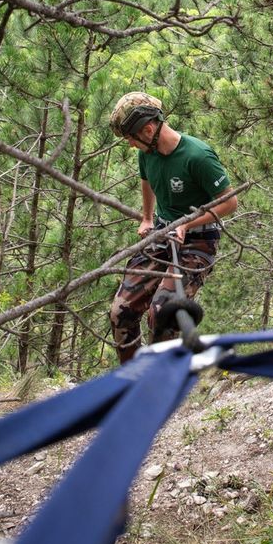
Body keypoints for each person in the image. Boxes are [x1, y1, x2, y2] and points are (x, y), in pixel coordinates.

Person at [107, 92, 238, 363]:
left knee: (162, 314)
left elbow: (229, 203)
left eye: (131, 138)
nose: (131, 145)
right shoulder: (148, 153)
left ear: (148, 129)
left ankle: (162, 383)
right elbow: (147, 180)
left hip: (198, 241)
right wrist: (147, 217)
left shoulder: (197, 156)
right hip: (162, 234)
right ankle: (133, 379)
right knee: (121, 311)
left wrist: (189, 223)